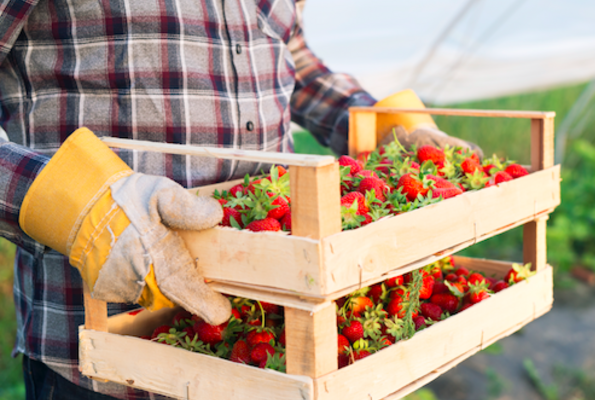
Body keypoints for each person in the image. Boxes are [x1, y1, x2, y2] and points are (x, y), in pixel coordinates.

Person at [0, 1, 479, 399]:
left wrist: (386, 124)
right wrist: (81, 208)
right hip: (108, 356)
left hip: (272, 338)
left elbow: (290, 57)